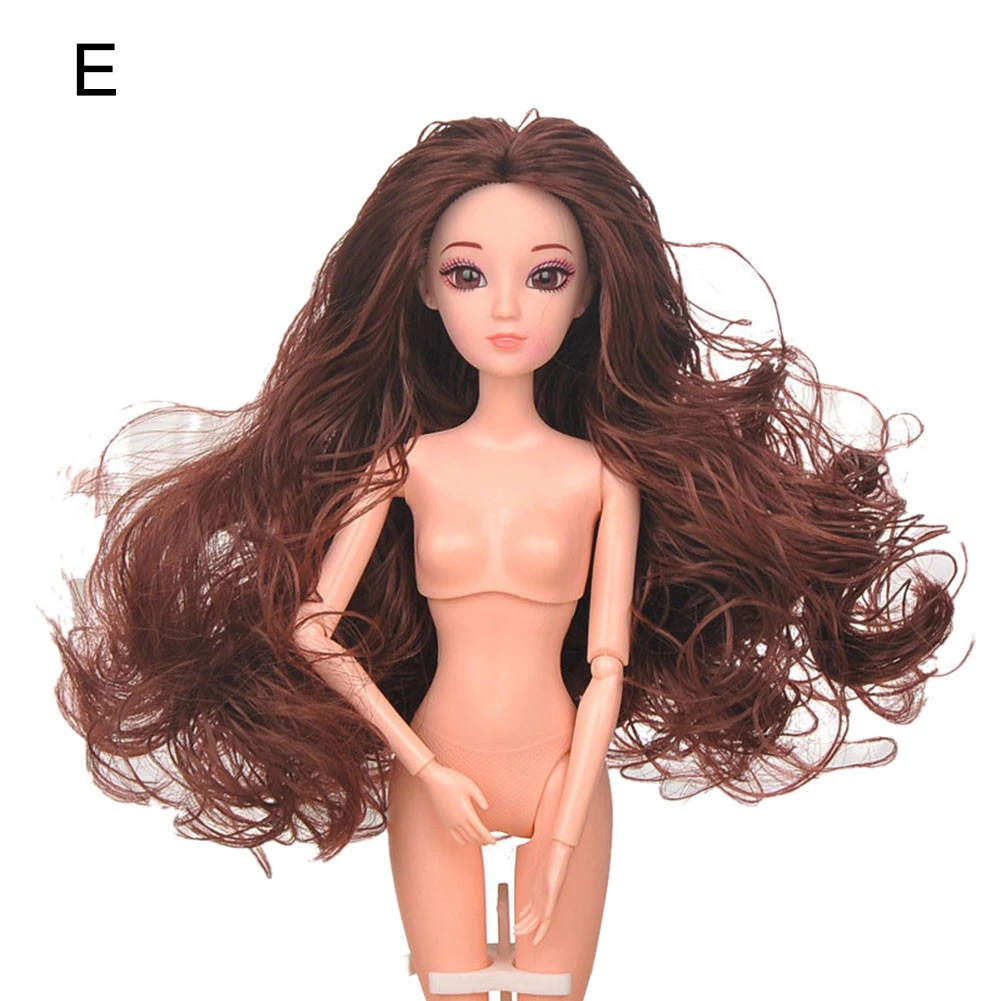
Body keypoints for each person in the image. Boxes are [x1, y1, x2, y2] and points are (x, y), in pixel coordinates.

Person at [54, 112, 962, 1001]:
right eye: (467, 273)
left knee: (553, 991)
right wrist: (425, 767)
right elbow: (313, 629)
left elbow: (606, 662)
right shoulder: (405, 464)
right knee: (451, 991)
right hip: (436, 766)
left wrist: (564, 820)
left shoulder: (601, 473)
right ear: (423, 286)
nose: (502, 308)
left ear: (587, 293)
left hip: (562, 770)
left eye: (544, 276)